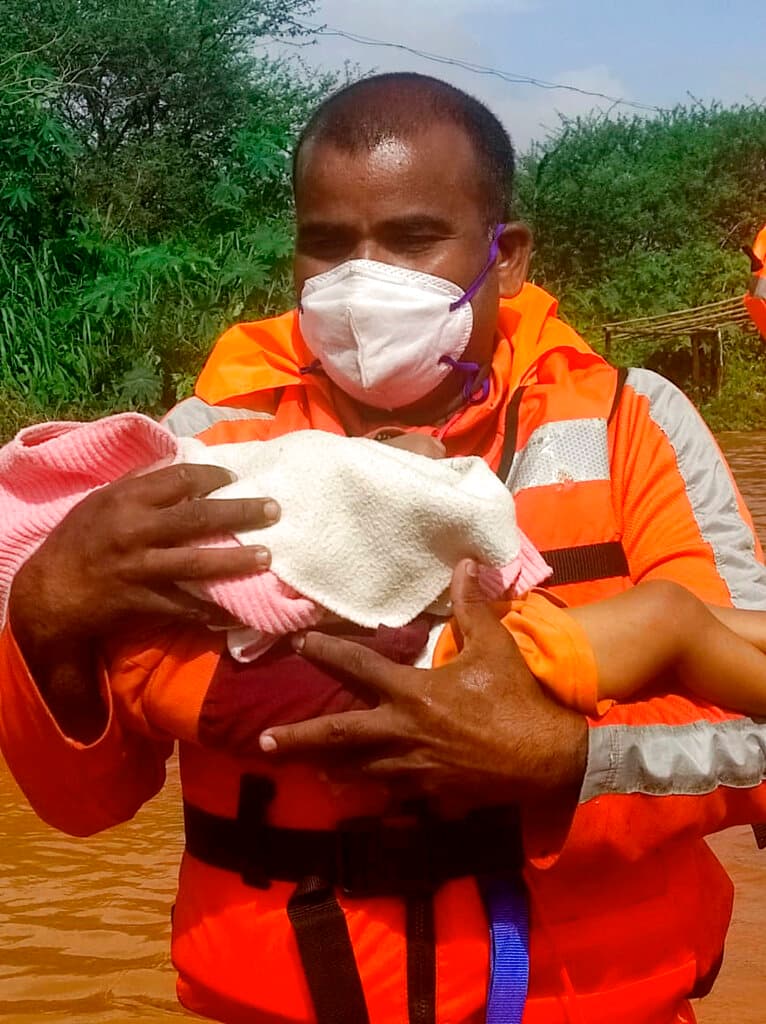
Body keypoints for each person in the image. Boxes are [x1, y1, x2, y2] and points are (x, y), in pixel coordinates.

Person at [3, 72, 766, 1024]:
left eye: (411, 239)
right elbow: (84, 807)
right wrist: (45, 616)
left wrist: (570, 760)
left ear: (509, 256)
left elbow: (757, 746)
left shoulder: (633, 422)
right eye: (327, 246)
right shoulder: (198, 447)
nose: (361, 280)